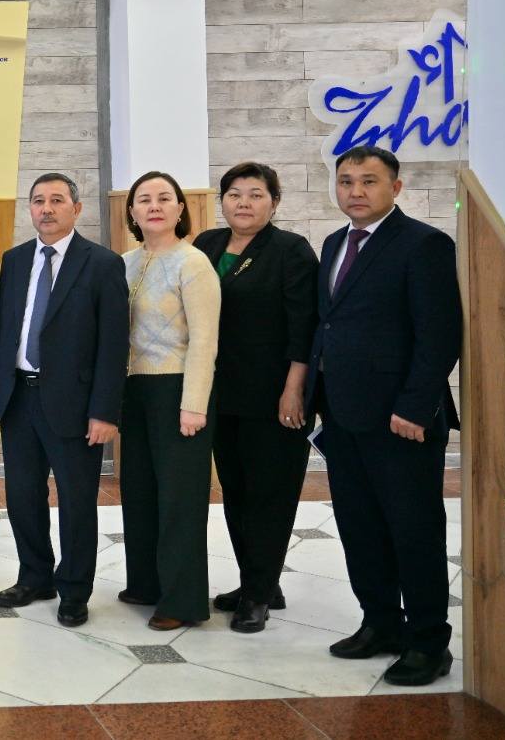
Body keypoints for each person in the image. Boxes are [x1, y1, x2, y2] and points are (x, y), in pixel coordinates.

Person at [309, 146, 461, 686]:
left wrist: (414, 406)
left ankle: (428, 643)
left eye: (368, 181)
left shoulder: (424, 244)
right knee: (360, 528)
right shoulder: (334, 243)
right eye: (346, 181)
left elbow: (439, 334)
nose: (355, 191)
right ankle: (380, 624)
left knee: (413, 532)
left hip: (401, 420)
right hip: (344, 415)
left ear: (395, 188)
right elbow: (329, 325)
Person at [0, 173, 127, 627]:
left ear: (76, 208)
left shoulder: (102, 264)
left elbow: (114, 344)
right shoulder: (15, 260)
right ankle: (35, 576)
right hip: (19, 399)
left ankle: (74, 589)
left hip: (76, 405)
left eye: (57, 200)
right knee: (22, 496)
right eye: (38, 201)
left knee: (76, 500)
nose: (46, 209)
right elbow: (4, 330)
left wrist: (104, 410)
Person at [192, 162, 318, 633]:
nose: (243, 203)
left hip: (274, 397)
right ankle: (258, 581)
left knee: (270, 495)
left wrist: (294, 390)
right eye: (234, 194)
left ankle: (258, 596)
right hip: (222, 393)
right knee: (237, 493)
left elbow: (305, 327)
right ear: (222, 200)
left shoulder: (290, 251)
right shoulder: (207, 245)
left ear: (274, 202)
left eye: (256, 194)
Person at [118, 170, 221, 631]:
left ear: (181, 208)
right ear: (132, 212)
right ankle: (145, 584)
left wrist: (194, 403)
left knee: (180, 499)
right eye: (144, 199)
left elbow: (205, 341)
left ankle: (182, 601)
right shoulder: (125, 263)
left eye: (164, 198)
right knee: (139, 490)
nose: (154, 206)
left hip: (178, 390)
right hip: (134, 390)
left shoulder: (193, 263)